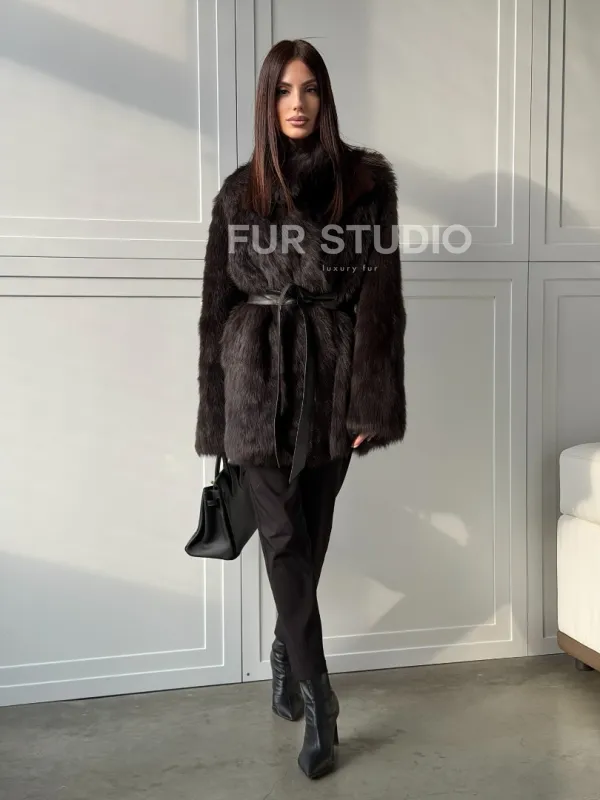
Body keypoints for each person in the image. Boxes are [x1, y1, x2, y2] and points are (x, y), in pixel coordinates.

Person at [194, 38, 407, 779]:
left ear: (326, 97)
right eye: (284, 90)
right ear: (266, 99)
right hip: (254, 381)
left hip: (330, 380)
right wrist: (217, 412)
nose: (297, 102)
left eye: (310, 88)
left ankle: (288, 649)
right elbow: (216, 307)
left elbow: (380, 300)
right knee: (282, 538)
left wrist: (370, 399)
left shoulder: (364, 185)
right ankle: (320, 699)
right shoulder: (238, 193)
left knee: (310, 535)